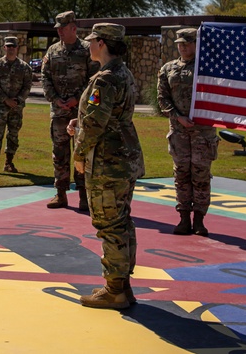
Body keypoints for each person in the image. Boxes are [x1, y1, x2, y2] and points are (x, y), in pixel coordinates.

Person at [68, 23, 143, 310]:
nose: (88, 46)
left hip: (107, 161)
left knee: (109, 224)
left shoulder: (106, 79)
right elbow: (104, 117)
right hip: (124, 156)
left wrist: (78, 152)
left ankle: (115, 290)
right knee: (122, 221)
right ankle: (122, 285)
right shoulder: (122, 73)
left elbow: (97, 123)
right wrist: (81, 122)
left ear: (102, 43)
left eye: (91, 41)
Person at [157, 27, 218, 236]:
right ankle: (183, 218)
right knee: (181, 175)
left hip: (203, 132)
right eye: (180, 44)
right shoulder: (168, 69)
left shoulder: (208, 69)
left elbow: (219, 95)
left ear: (196, 44)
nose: (182, 47)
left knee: (201, 176)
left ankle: (199, 220)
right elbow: (162, 99)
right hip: (179, 131)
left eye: (187, 43)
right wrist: (177, 117)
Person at [41, 10, 98, 210]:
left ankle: (83, 195)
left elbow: (94, 81)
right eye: (58, 29)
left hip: (80, 113)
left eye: (63, 29)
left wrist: (77, 100)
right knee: (59, 153)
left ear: (73, 28)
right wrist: (56, 100)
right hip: (59, 113)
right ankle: (60, 193)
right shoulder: (52, 51)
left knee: (81, 152)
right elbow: (45, 78)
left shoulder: (86, 50)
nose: (60, 33)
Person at [0, 36, 33, 175]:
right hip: (0, 106)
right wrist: (6, 100)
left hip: (16, 107)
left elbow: (27, 87)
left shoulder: (24, 68)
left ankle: (9, 163)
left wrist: (17, 100)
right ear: (4, 48)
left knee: (13, 135)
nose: (11, 49)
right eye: (8, 46)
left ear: (17, 48)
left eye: (13, 46)